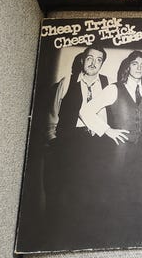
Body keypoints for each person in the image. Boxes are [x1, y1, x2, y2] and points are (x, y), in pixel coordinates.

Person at [79, 50, 142, 241]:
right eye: (134, 63)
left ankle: (130, 239)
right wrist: (107, 130)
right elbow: (85, 111)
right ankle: (107, 239)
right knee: (113, 194)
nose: (139, 67)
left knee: (135, 196)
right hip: (117, 153)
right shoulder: (114, 89)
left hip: (138, 153)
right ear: (127, 66)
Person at [45, 45, 109, 246]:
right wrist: (53, 143)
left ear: (102, 64)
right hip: (69, 145)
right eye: (90, 58)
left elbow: (107, 115)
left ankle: (86, 239)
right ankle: (63, 239)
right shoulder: (66, 83)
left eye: (98, 60)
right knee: (66, 192)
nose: (93, 63)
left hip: (95, 145)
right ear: (82, 60)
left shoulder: (106, 83)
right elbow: (52, 115)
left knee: (91, 192)